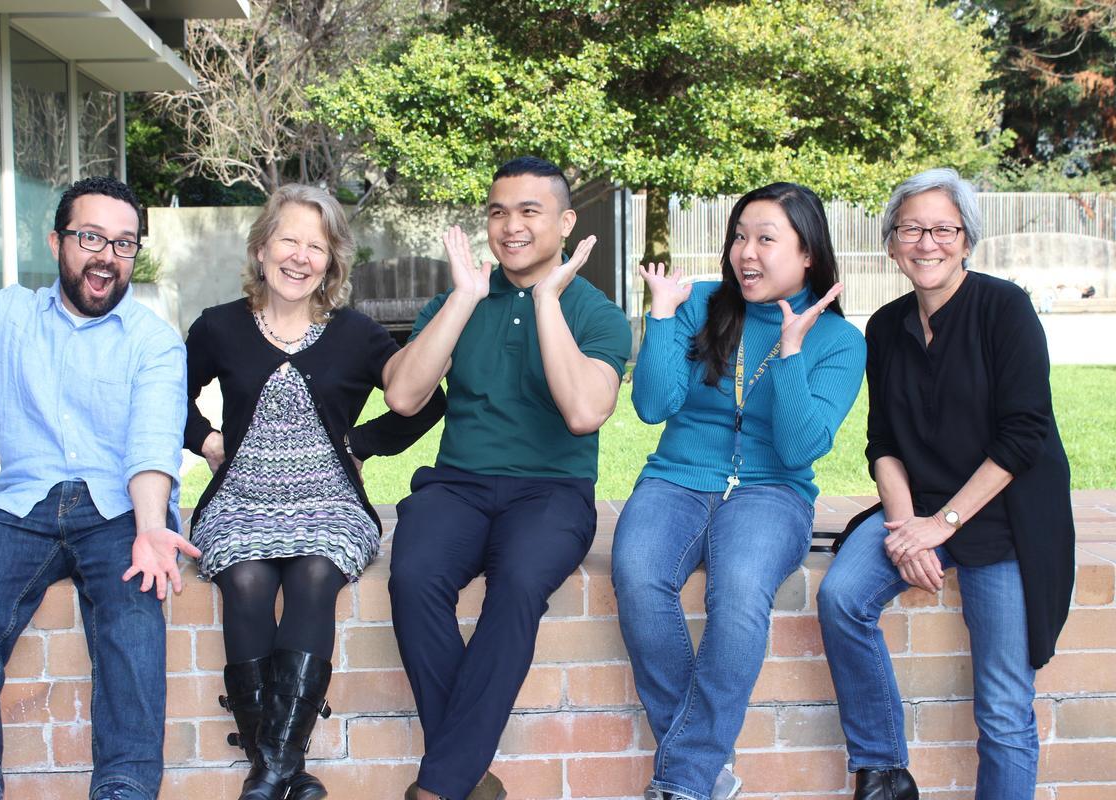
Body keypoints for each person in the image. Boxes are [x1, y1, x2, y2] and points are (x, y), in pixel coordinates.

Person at [0, 176, 195, 800]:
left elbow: (152, 444)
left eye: (123, 243)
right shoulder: (5, 318)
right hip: (21, 506)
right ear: (57, 242)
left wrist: (152, 528)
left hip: (117, 507)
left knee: (133, 612)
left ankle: (124, 789)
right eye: (91, 237)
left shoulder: (153, 341)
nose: (107, 257)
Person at [816, 168, 1075, 800]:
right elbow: (883, 443)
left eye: (943, 229)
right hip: (920, 507)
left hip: (1005, 516)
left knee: (1003, 706)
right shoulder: (885, 326)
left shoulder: (1004, 308)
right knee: (842, 597)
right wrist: (907, 527)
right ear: (891, 243)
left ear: (966, 240)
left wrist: (941, 526)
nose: (926, 243)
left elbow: (1024, 437)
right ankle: (884, 770)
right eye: (911, 229)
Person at [184, 184, 445, 800]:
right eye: (289, 241)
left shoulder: (356, 333)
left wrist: (361, 443)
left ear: (331, 262)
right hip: (240, 501)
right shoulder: (218, 326)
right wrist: (206, 439)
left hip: (330, 503)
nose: (300, 257)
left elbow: (425, 399)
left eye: (317, 247)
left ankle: (267, 774)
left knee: (313, 574)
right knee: (245, 580)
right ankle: (282, 770)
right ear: (261, 248)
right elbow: (164, 396)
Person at [383, 156, 632, 800]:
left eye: (529, 211)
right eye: (498, 212)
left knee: (518, 584)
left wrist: (547, 300)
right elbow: (404, 397)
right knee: (413, 577)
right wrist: (464, 298)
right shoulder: (458, 298)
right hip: (457, 485)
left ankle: (440, 785)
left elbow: (584, 413)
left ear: (565, 223)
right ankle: (464, 777)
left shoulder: (597, 313)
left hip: (552, 492)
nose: (511, 225)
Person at [613, 183, 866, 800]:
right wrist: (662, 316)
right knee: (638, 572)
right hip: (676, 476)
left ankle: (684, 779)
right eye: (739, 237)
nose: (745, 252)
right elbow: (653, 406)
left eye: (765, 239)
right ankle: (704, 770)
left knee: (740, 590)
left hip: (773, 490)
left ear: (808, 253)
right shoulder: (699, 304)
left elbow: (800, 448)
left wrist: (792, 352)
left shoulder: (841, 341)